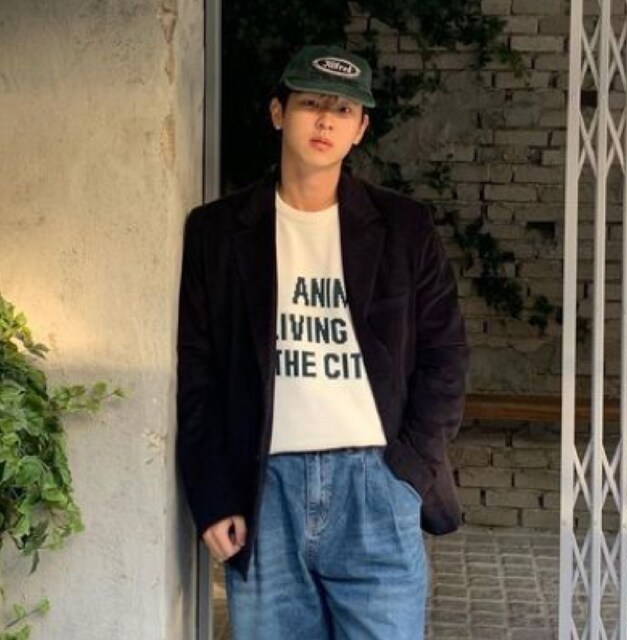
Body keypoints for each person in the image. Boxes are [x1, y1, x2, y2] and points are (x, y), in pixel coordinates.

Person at [177, 44, 469, 639]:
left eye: (343, 110)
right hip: (266, 491)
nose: (325, 121)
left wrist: (408, 472)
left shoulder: (404, 228)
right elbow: (198, 374)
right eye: (311, 104)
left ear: (360, 129)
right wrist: (214, 494)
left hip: (375, 488)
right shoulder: (217, 232)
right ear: (278, 113)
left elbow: (445, 356)